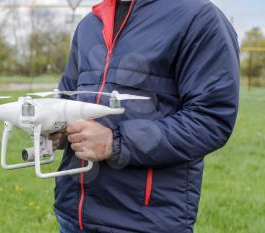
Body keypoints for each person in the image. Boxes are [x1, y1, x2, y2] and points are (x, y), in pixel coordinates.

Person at [50, 0, 239, 232]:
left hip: (142, 221)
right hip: (72, 216)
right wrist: (54, 127)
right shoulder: (89, 24)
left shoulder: (198, 18)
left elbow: (211, 119)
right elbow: (67, 99)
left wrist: (114, 142)